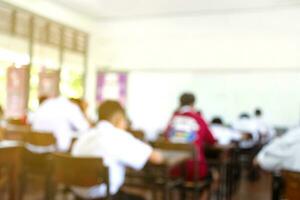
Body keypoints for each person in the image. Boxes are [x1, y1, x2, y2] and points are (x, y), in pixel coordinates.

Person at [71, 100, 163, 200]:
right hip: (104, 196)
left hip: (78, 195)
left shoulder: (83, 136)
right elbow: (156, 158)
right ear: (118, 117)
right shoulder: (118, 136)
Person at [165, 93, 216, 181]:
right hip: (195, 169)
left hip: (174, 167)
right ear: (193, 103)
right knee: (215, 176)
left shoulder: (173, 119)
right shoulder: (199, 118)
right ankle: (199, 195)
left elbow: (166, 136)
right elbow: (211, 140)